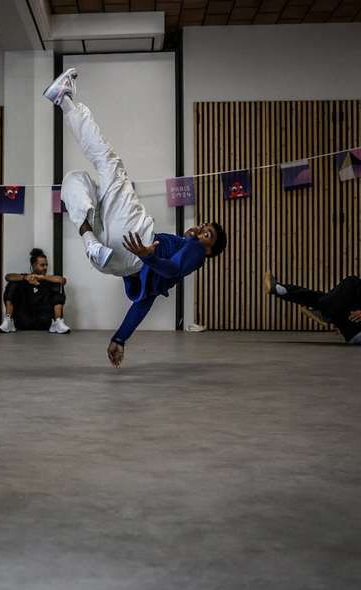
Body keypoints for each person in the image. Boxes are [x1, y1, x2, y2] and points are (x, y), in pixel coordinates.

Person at [43, 67, 227, 367]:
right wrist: (119, 338)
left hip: (135, 244)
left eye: (207, 235)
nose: (201, 231)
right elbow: (142, 304)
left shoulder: (195, 255)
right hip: (112, 260)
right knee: (74, 181)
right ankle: (89, 241)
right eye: (204, 226)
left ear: (209, 250)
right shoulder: (184, 249)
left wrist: (148, 255)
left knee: (109, 162)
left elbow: (170, 268)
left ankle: (64, 99)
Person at [0, 248, 71, 334]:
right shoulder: (25, 278)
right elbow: (8, 277)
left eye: (46, 265)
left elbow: (62, 280)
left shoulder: (48, 280)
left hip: (44, 321)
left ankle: (57, 322)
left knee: (58, 284)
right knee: (12, 284)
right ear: (33, 265)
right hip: (23, 320)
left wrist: (42, 277)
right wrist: (25, 278)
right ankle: (8, 320)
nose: (45, 267)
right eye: (42, 265)